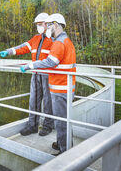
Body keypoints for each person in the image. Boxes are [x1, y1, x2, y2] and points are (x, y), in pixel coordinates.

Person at [20, 13, 76, 155]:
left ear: (56, 25)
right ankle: (63, 143)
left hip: (60, 87)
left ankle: (64, 151)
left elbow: (51, 61)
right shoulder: (66, 41)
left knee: (61, 121)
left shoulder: (59, 43)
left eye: (49, 25)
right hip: (65, 86)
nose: (47, 28)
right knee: (64, 119)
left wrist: (31, 65)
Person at [0, 13, 54, 137]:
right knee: (33, 100)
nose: (38, 26)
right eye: (37, 24)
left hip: (49, 75)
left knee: (48, 102)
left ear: (47, 24)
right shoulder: (35, 39)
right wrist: (8, 52)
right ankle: (32, 126)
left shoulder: (53, 39)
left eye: (40, 24)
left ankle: (48, 126)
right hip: (35, 74)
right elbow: (23, 47)